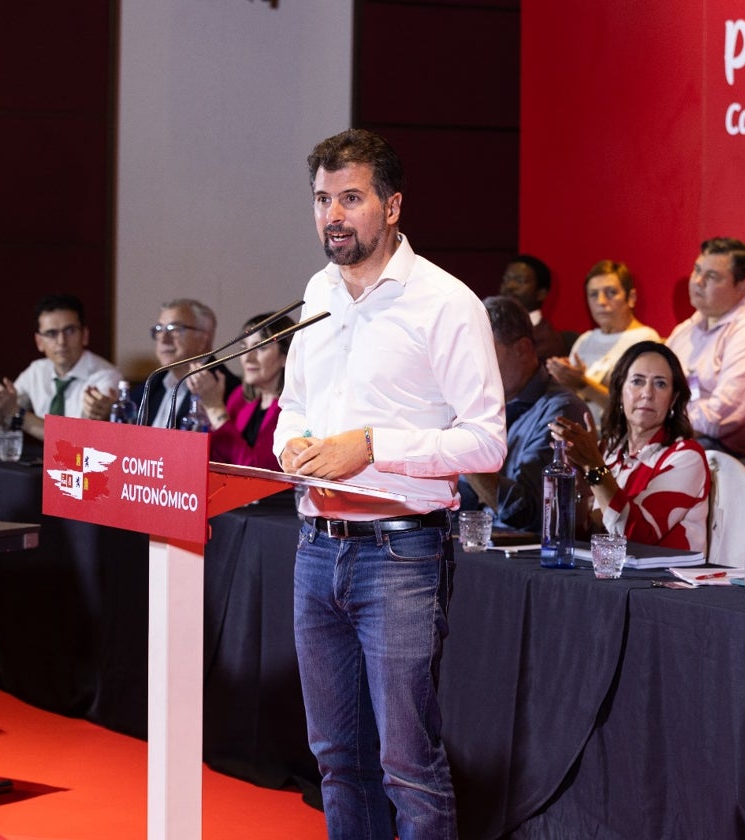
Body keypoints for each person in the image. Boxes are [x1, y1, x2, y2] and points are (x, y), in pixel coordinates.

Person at [273, 128, 506, 840]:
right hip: (317, 545)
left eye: (350, 198)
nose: (332, 216)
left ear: (393, 205)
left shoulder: (445, 302)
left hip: (400, 556)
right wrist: (292, 447)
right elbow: (293, 407)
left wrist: (373, 447)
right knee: (336, 757)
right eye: (321, 200)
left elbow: (488, 440)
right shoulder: (318, 292)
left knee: (407, 761)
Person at [549, 341, 710, 553]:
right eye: (637, 381)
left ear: (673, 400)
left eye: (660, 384)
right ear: (620, 392)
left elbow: (636, 537)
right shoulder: (609, 451)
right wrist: (575, 475)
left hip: (665, 581)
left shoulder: (686, 456)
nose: (647, 393)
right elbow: (577, 532)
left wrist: (594, 466)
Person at [459, 295, 590, 532]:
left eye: (486, 355)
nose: (476, 367)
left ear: (523, 349)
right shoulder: (483, 407)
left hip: (536, 558)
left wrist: (462, 452)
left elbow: (527, 512)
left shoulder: (561, 411)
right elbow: (462, 503)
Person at [665, 237, 745, 466]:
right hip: (692, 440)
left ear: (742, 287)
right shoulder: (684, 331)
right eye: (697, 271)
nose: (698, 281)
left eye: (712, 276)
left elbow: (718, 421)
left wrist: (663, 419)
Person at [0, 293, 123, 439]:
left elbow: (76, 439)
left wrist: (15, 413)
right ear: (39, 342)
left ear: (84, 335)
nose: (61, 341)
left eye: (70, 330)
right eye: (51, 333)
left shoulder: (107, 376)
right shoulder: (36, 371)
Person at [545, 260, 660, 422]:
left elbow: (637, 408)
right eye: (593, 294)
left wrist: (583, 384)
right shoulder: (585, 340)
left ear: (631, 298)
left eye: (611, 292)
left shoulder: (645, 340)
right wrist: (562, 378)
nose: (601, 301)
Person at [191, 311, 294, 472]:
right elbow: (214, 461)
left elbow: (256, 472)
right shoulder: (239, 398)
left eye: (260, 348)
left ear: (285, 356)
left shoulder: (291, 409)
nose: (247, 357)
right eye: (244, 347)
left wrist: (215, 408)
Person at [144, 298, 241, 428]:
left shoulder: (229, 391)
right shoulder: (153, 383)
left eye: (174, 328)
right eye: (159, 329)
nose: (163, 338)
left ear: (203, 339)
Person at [500, 254, 572, 360]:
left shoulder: (547, 342)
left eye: (520, 281)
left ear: (541, 294)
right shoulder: (493, 328)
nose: (510, 286)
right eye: (506, 280)